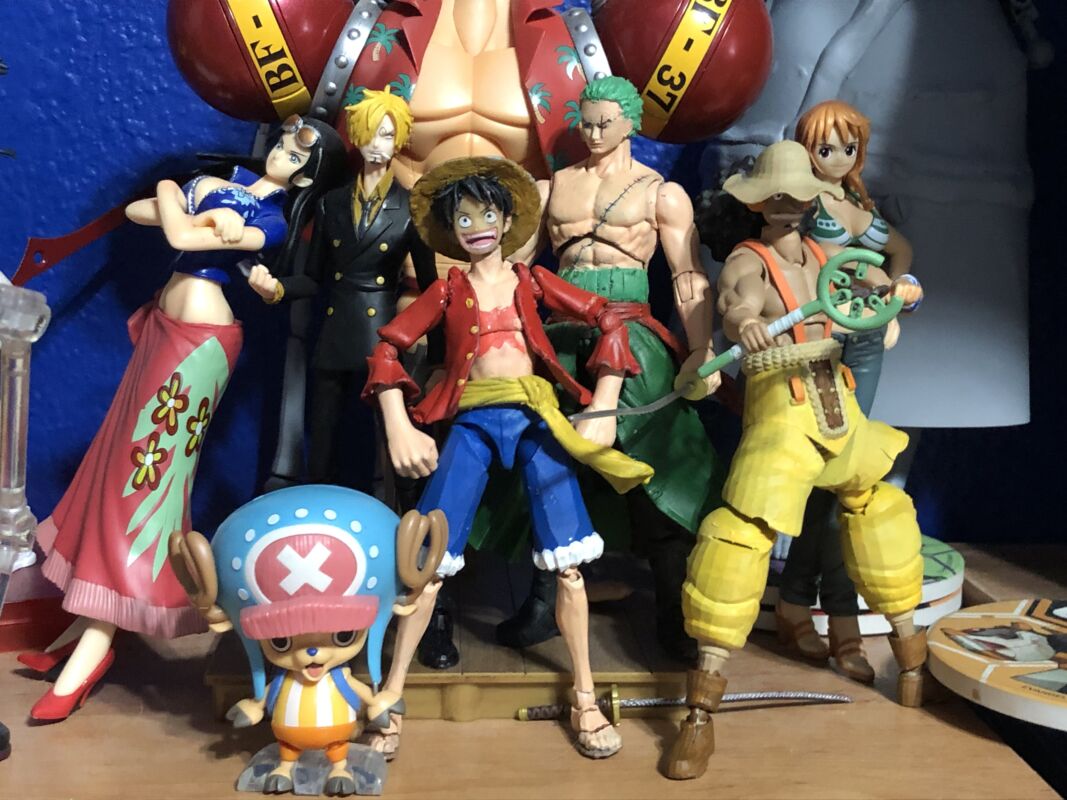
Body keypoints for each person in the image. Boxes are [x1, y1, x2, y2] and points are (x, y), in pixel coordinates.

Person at [17, 117, 348, 722]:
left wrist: (180, 198)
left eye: (297, 155)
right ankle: (84, 630)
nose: (281, 153)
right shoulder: (231, 185)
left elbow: (184, 237)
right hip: (167, 328)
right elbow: (141, 212)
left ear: (306, 176)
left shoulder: (270, 219)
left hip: (199, 343)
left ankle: (96, 644)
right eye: (281, 143)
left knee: (145, 485)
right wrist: (180, 198)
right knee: (113, 468)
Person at [361, 156, 652, 760]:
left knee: (570, 565)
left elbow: (609, 319)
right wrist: (397, 426)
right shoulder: (446, 289)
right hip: (470, 421)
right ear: (450, 230)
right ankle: (391, 693)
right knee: (428, 564)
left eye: (486, 214)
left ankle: (585, 693)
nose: (477, 228)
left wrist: (604, 403)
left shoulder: (532, 280)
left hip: (535, 417)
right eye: (463, 218)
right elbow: (387, 350)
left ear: (506, 219)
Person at [664, 140, 927, 780]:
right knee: (740, 534)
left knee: (879, 506)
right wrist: (745, 322)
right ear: (757, 202)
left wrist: (899, 290)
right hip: (782, 411)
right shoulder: (746, 260)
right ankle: (699, 711)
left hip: (837, 401)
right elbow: (738, 300)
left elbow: (872, 287)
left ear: (813, 199)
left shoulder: (826, 255)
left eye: (796, 195)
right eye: (774, 195)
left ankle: (912, 661)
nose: (786, 204)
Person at [494, 76, 726, 661]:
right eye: (587, 121)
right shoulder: (552, 188)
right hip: (561, 334)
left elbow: (687, 276)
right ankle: (544, 603)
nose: (594, 132)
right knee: (546, 465)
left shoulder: (660, 193)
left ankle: (674, 612)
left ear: (630, 123)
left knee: (656, 466)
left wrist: (701, 348)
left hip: (634, 336)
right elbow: (512, 267)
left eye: (606, 122)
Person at [772, 100, 919, 683]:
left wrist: (899, 289)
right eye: (824, 147)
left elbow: (898, 250)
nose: (835, 158)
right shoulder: (799, 203)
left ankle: (796, 603)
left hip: (866, 338)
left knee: (846, 477)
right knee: (828, 476)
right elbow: (787, 270)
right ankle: (840, 619)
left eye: (847, 148)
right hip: (820, 343)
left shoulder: (859, 204)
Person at [248, 89, 436, 493]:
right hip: (335, 332)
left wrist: (437, 352)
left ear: (400, 140)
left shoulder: (411, 209)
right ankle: (318, 505)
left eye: (387, 135)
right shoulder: (330, 204)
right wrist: (277, 288)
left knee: (390, 436)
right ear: (356, 135)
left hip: (382, 337)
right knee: (322, 437)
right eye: (370, 132)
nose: (377, 144)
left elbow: (430, 289)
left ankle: (398, 511)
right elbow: (312, 278)